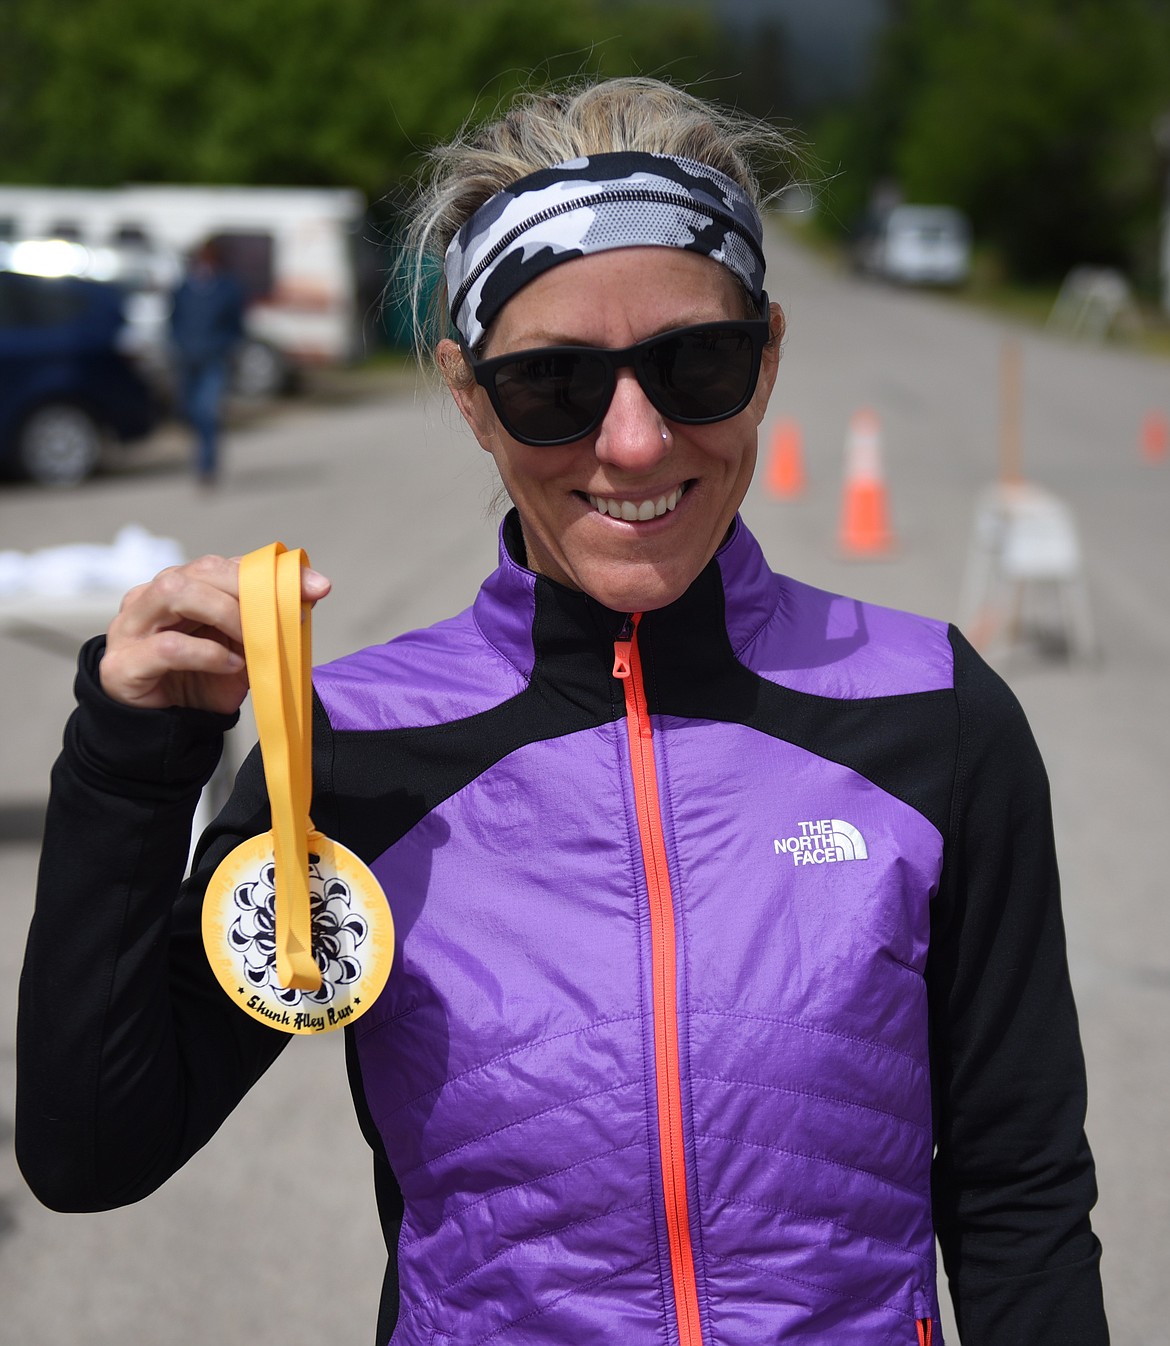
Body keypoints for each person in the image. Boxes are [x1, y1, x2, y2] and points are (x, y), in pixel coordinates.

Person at [17, 77, 1107, 1344]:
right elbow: (93, 1149)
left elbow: (1019, 1197)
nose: (635, 441)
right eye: (553, 385)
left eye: (696, 362)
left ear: (768, 356)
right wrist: (131, 757)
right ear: (469, 396)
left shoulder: (932, 714)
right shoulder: (363, 749)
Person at [169, 237, 245, 487]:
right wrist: (176, 345)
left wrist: (228, 348)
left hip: (214, 358)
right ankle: (202, 456)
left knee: (207, 411)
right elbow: (173, 320)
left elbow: (237, 325)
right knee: (190, 413)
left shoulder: (227, 288)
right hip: (187, 358)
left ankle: (207, 466)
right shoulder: (184, 288)